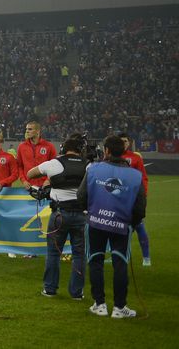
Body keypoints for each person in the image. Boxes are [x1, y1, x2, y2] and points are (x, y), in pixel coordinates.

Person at [78, 136, 146, 318]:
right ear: (123, 151)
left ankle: (99, 305)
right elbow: (140, 206)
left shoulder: (93, 169)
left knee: (95, 260)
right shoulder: (135, 175)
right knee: (120, 263)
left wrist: (90, 211)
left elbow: (81, 195)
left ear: (106, 150)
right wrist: (132, 222)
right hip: (121, 225)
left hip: (96, 223)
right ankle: (119, 308)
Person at [27, 134, 88, 300]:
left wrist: (51, 179)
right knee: (79, 255)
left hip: (59, 214)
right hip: (82, 215)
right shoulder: (89, 166)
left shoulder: (54, 163)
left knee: (53, 253)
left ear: (63, 148)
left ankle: (50, 289)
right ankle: (77, 292)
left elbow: (31, 174)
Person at [118, 133, 150, 266]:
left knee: (138, 225)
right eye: (120, 141)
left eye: (125, 141)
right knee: (118, 228)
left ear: (129, 143)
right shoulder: (111, 157)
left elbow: (143, 178)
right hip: (118, 198)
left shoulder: (135, 158)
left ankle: (146, 257)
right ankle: (121, 255)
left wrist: (143, 195)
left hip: (134, 198)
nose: (123, 143)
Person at [18, 121, 57, 188]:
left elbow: (54, 166)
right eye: (26, 129)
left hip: (45, 185)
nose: (27, 131)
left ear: (38, 131)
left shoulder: (49, 146)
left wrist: (48, 180)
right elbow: (19, 166)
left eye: (30, 129)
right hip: (29, 185)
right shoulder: (21, 147)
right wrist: (23, 181)